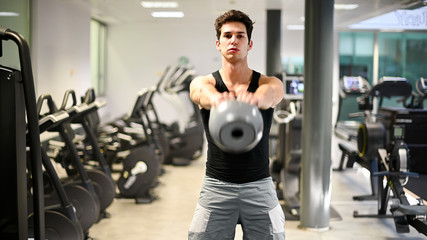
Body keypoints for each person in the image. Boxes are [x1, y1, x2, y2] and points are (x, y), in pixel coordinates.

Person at [188, 9, 285, 240]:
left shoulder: (266, 83)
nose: (234, 40)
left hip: (260, 186)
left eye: (240, 36)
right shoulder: (205, 83)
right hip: (216, 187)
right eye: (228, 35)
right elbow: (199, 91)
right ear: (218, 43)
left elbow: (273, 92)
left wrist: (255, 99)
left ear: (249, 44)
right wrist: (217, 99)